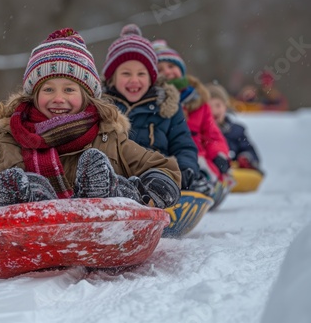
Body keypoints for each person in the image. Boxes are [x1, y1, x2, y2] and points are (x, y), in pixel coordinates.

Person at [0, 28, 181, 231]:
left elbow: (157, 164)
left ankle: (109, 191)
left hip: (107, 225)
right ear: (33, 95)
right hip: (40, 229)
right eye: (48, 89)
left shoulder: (107, 136)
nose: (58, 98)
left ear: (87, 96)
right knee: (15, 183)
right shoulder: (17, 139)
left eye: (69, 89)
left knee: (113, 180)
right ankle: (27, 199)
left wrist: (159, 180)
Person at [101, 24, 211, 195]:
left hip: (155, 176)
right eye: (126, 74)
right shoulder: (102, 108)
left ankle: (160, 194)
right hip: (113, 178)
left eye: (141, 74)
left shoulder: (166, 106)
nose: (134, 80)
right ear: (112, 78)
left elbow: (183, 144)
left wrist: (186, 169)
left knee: (160, 178)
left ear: (152, 78)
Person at [152, 39, 231, 187]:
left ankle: (206, 184)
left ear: (181, 69)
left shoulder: (198, 102)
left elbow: (212, 135)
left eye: (171, 66)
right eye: (160, 69)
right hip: (166, 161)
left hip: (199, 159)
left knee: (203, 170)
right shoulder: (153, 103)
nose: (167, 72)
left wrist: (218, 155)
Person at [206, 81, 263, 173]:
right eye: (209, 107)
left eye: (218, 105)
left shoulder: (236, 131)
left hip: (234, 170)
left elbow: (249, 150)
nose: (214, 110)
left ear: (225, 107)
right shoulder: (201, 131)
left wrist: (245, 158)